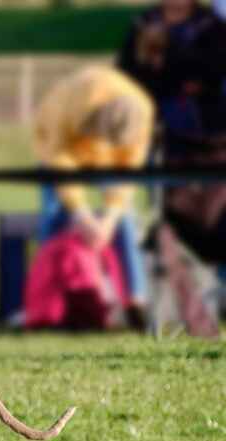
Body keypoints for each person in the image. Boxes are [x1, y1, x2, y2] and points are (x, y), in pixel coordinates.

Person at [33, 66, 155, 326]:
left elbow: (127, 172)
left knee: (125, 222)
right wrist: (81, 214)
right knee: (53, 217)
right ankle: (47, 301)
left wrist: (110, 218)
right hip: (59, 147)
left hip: (109, 161)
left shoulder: (142, 114)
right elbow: (60, 160)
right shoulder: (75, 102)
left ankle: (135, 299)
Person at [118, 0, 220, 145]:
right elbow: (125, 67)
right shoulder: (144, 21)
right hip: (148, 103)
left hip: (197, 110)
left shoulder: (209, 23)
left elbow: (215, 67)